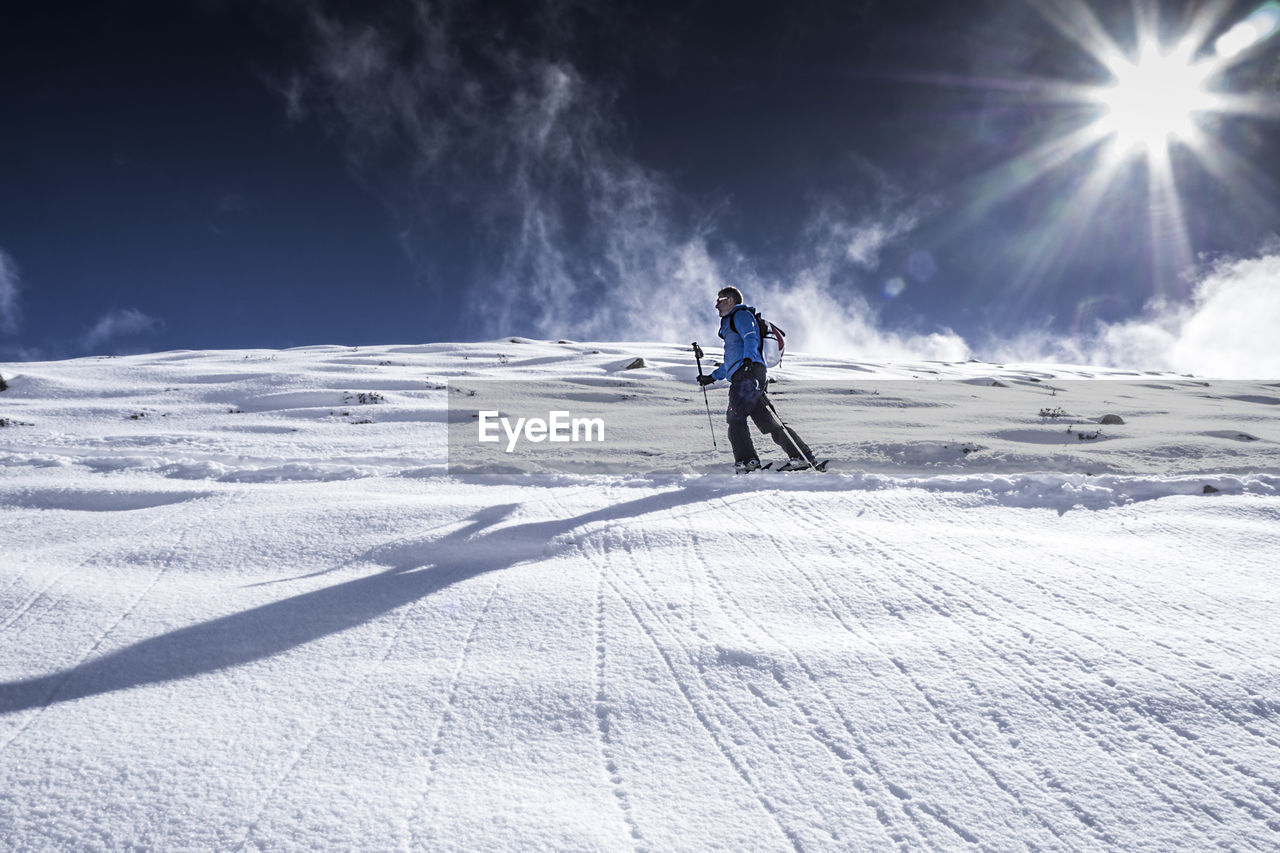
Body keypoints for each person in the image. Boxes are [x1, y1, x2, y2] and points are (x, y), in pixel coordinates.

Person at [697, 287, 816, 473]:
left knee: (735, 417)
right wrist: (710, 378)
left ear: (730, 300)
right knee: (768, 420)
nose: (716, 305)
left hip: (747, 374)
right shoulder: (730, 325)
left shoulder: (741, 315)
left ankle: (748, 462)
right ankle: (802, 456)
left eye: (719, 300)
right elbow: (730, 362)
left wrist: (748, 362)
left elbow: (751, 337)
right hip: (748, 373)